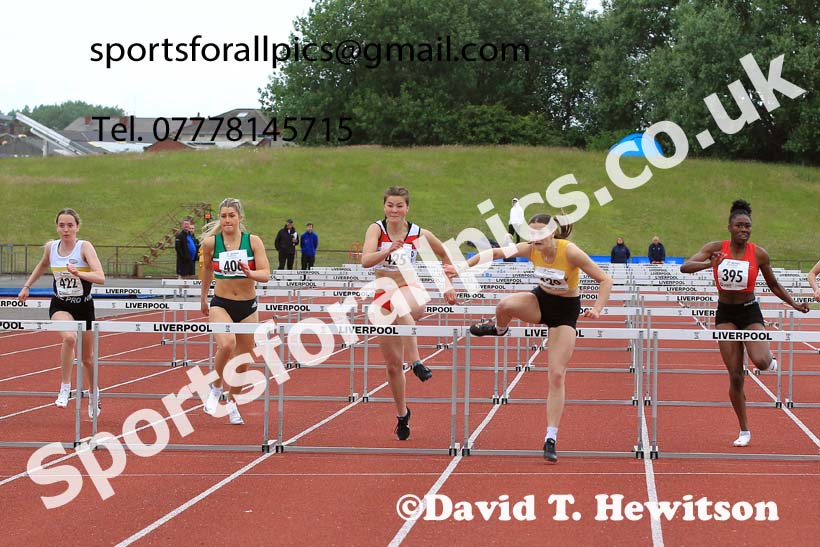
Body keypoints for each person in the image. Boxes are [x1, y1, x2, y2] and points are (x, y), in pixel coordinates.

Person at [445, 213, 612, 463]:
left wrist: (597, 308)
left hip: (565, 313)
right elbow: (496, 253)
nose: (534, 239)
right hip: (540, 301)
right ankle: (499, 330)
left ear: (552, 232)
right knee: (504, 306)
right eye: (530, 233)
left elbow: (605, 279)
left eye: (540, 233)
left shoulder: (570, 252)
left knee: (556, 374)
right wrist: (461, 268)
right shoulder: (529, 249)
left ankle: (550, 437)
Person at [680, 199, 809, 447]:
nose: (744, 229)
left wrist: (793, 303)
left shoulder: (759, 254)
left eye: (748, 226)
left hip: (750, 312)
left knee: (760, 361)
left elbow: (773, 284)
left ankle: (770, 361)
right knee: (736, 376)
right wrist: (710, 264)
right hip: (725, 314)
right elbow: (686, 267)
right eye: (739, 225)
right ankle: (744, 429)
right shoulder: (716, 248)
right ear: (729, 227)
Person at [361, 186, 457, 441]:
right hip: (382, 296)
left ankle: (416, 361)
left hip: (410, 290)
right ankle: (402, 414)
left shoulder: (418, 233)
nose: (394, 210)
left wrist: (447, 283)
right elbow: (366, 260)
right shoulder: (376, 229)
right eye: (390, 205)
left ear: (407, 208)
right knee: (393, 366)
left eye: (399, 205)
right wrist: (388, 250)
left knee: (400, 301)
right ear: (384, 207)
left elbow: (444, 253)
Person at [18, 209, 106, 418]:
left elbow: (101, 277)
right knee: (68, 338)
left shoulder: (84, 247)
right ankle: (65, 388)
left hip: (84, 306)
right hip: (60, 305)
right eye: (62, 225)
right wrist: (27, 286)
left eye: (70, 225)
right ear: (57, 227)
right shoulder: (51, 248)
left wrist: (79, 273)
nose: (65, 229)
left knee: (87, 358)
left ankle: (94, 395)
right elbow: (43, 265)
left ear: (77, 227)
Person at [200, 198, 271, 425]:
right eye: (223, 216)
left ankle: (232, 403)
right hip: (221, 303)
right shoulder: (211, 243)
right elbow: (207, 271)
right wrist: (203, 297)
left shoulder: (253, 241)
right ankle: (216, 387)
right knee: (227, 344)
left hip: (247, 306)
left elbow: (266, 274)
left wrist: (250, 273)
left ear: (240, 218)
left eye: (231, 215)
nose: (227, 220)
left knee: (243, 361)